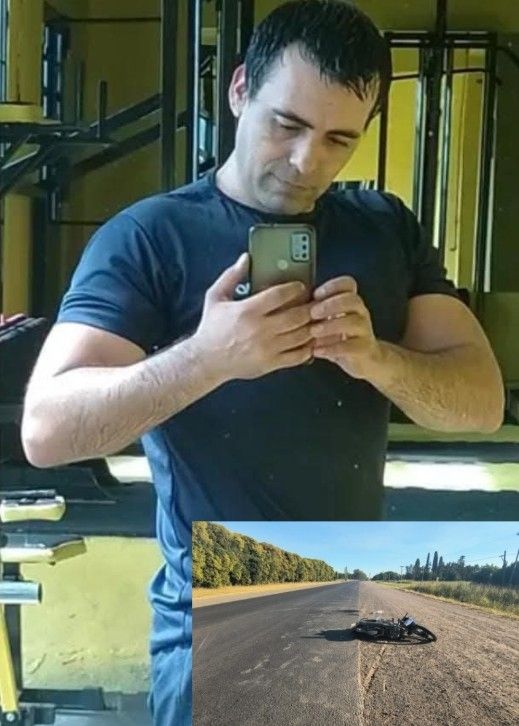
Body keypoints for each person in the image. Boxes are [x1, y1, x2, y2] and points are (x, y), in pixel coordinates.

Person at [20, 1, 504, 723]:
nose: (309, 161)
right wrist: (207, 359)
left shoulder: (385, 229)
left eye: (339, 138)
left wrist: (378, 360)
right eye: (287, 124)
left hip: (352, 604)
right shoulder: (150, 236)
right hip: (218, 620)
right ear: (240, 88)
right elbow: (48, 430)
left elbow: (481, 404)